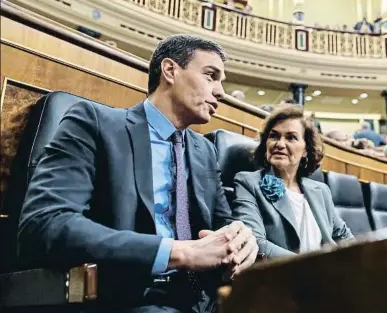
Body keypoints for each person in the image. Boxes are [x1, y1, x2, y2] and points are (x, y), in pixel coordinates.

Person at [18, 35, 258, 313]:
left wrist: (241, 240)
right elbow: (46, 224)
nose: (221, 92)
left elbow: (222, 225)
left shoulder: (204, 149)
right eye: (210, 76)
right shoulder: (94, 123)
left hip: (205, 302)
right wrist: (177, 252)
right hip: (130, 298)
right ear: (170, 71)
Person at [232, 106, 354, 259]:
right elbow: (253, 241)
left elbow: (344, 237)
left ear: (305, 150)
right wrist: (311, 268)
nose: (280, 144)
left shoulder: (321, 190)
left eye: (291, 138)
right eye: (274, 136)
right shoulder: (248, 182)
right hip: (280, 277)